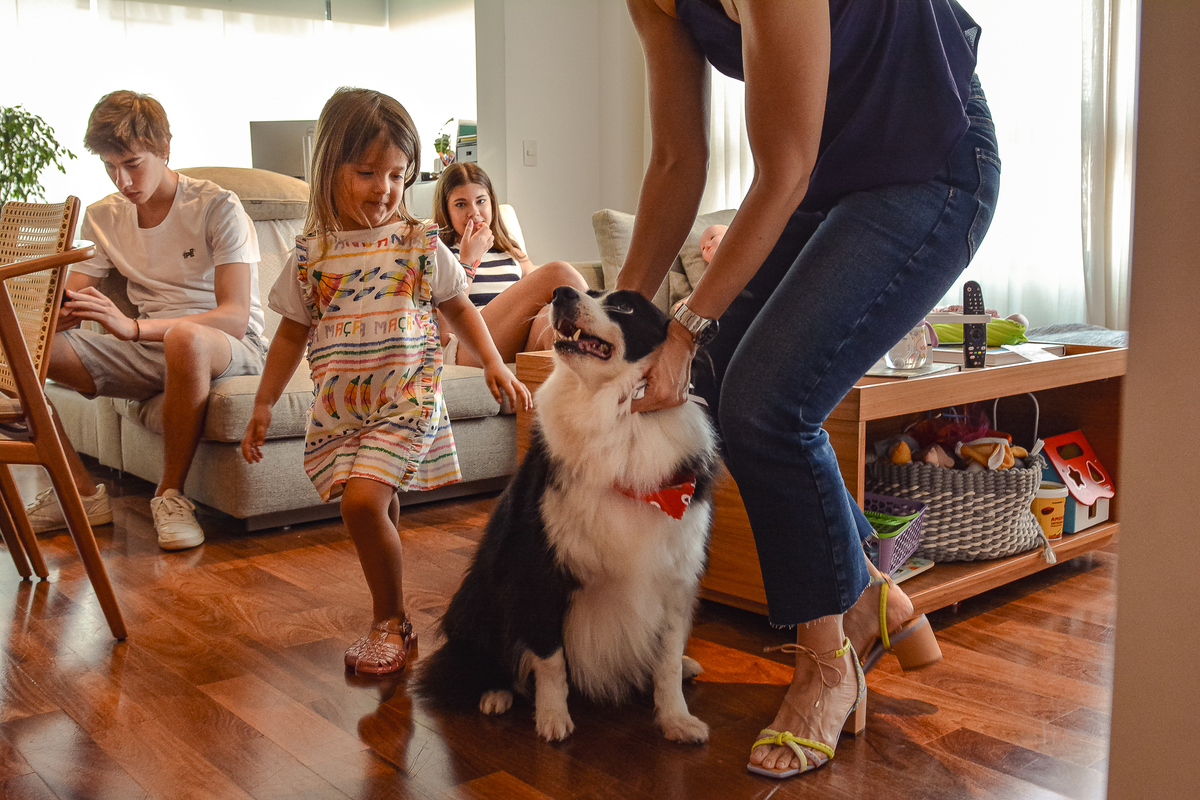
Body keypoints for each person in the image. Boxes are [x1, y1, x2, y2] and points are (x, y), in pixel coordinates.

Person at [619, 0, 999, 779]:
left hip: (929, 158)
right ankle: (868, 595)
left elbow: (782, 170)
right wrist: (621, 316)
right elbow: (676, 160)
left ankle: (828, 664)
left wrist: (683, 332)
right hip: (832, 173)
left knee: (769, 404)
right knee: (718, 389)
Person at [240, 87, 531, 675]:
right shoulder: (312, 256)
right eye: (367, 172)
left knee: (361, 503)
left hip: (407, 398)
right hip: (342, 406)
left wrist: (494, 362)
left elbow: (459, 308)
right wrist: (264, 402)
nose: (384, 189)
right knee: (380, 503)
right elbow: (290, 335)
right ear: (329, 168)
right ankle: (394, 614)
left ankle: (389, 621)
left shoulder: (419, 244)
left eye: (398, 175)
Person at [26, 90, 267, 551]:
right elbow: (65, 298)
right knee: (25, 350)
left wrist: (132, 328)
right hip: (150, 353)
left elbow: (235, 318)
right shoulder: (104, 216)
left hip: (227, 347)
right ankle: (79, 494)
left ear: (164, 148)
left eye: (132, 164)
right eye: (109, 166)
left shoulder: (217, 205)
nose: (122, 180)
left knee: (186, 339)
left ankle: (170, 496)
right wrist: (50, 314)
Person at [431, 163, 590, 365]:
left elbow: (540, 298)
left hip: (516, 341)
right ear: (446, 210)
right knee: (559, 272)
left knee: (550, 321)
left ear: (492, 203)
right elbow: (444, 331)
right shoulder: (439, 252)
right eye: (461, 205)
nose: (474, 212)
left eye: (481, 201)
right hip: (467, 346)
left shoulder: (510, 250)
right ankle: (609, 332)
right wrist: (469, 261)